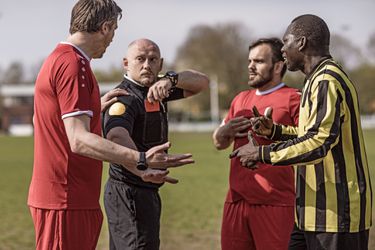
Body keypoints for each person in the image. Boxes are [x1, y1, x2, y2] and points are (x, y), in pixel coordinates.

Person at [27, 1, 194, 250]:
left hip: (67, 197)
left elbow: (44, 119)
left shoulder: (62, 58)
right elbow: (78, 139)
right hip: (66, 198)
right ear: (105, 27)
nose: (113, 39)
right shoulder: (74, 65)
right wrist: (140, 158)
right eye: (114, 30)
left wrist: (94, 108)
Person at [231, 14, 372, 250]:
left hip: (336, 215)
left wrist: (262, 154)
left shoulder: (327, 80)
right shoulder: (314, 80)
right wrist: (275, 131)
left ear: (302, 43)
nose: (283, 49)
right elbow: (309, 133)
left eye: (286, 42)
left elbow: (319, 143)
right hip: (310, 214)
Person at [102, 38, 209, 250]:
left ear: (160, 64)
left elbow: (202, 83)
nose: (146, 65)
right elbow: (116, 136)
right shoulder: (125, 97)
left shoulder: (158, 89)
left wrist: (172, 80)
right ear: (126, 63)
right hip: (129, 192)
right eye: (140, 59)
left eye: (153, 60)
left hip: (147, 191)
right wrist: (142, 166)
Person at [213, 38, 300, 250]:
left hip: (275, 202)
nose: (251, 66)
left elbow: (310, 141)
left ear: (278, 66)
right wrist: (224, 131)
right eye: (249, 61)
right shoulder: (240, 99)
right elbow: (219, 143)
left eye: (259, 61)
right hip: (236, 200)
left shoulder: (294, 98)